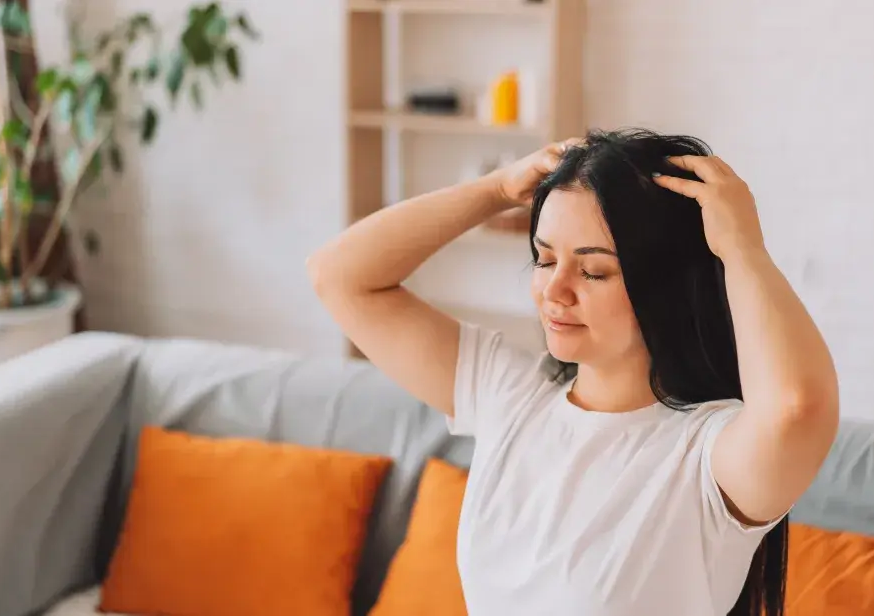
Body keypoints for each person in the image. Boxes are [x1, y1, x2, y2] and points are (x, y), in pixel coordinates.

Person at [307, 128, 839, 616]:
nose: (554, 291)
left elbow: (797, 408)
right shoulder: (511, 396)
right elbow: (340, 276)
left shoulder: (706, 457)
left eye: (593, 270)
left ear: (665, 287)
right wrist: (495, 189)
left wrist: (741, 248)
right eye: (543, 259)